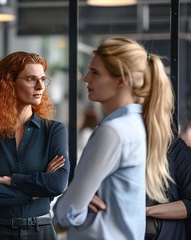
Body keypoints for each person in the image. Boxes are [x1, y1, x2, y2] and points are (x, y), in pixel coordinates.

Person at [54, 37, 174, 240]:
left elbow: (68, 212)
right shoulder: (135, 125)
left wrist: (67, 203)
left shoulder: (113, 132)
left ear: (121, 79)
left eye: (95, 72)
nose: (86, 78)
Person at [0, 51, 70, 240]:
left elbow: (57, 184)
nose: (40, 86)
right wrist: (33, 193)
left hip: (41, 231)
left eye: (42, 79)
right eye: (32, 79)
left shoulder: (54, 131)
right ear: (8, 84)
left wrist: (7, 180)